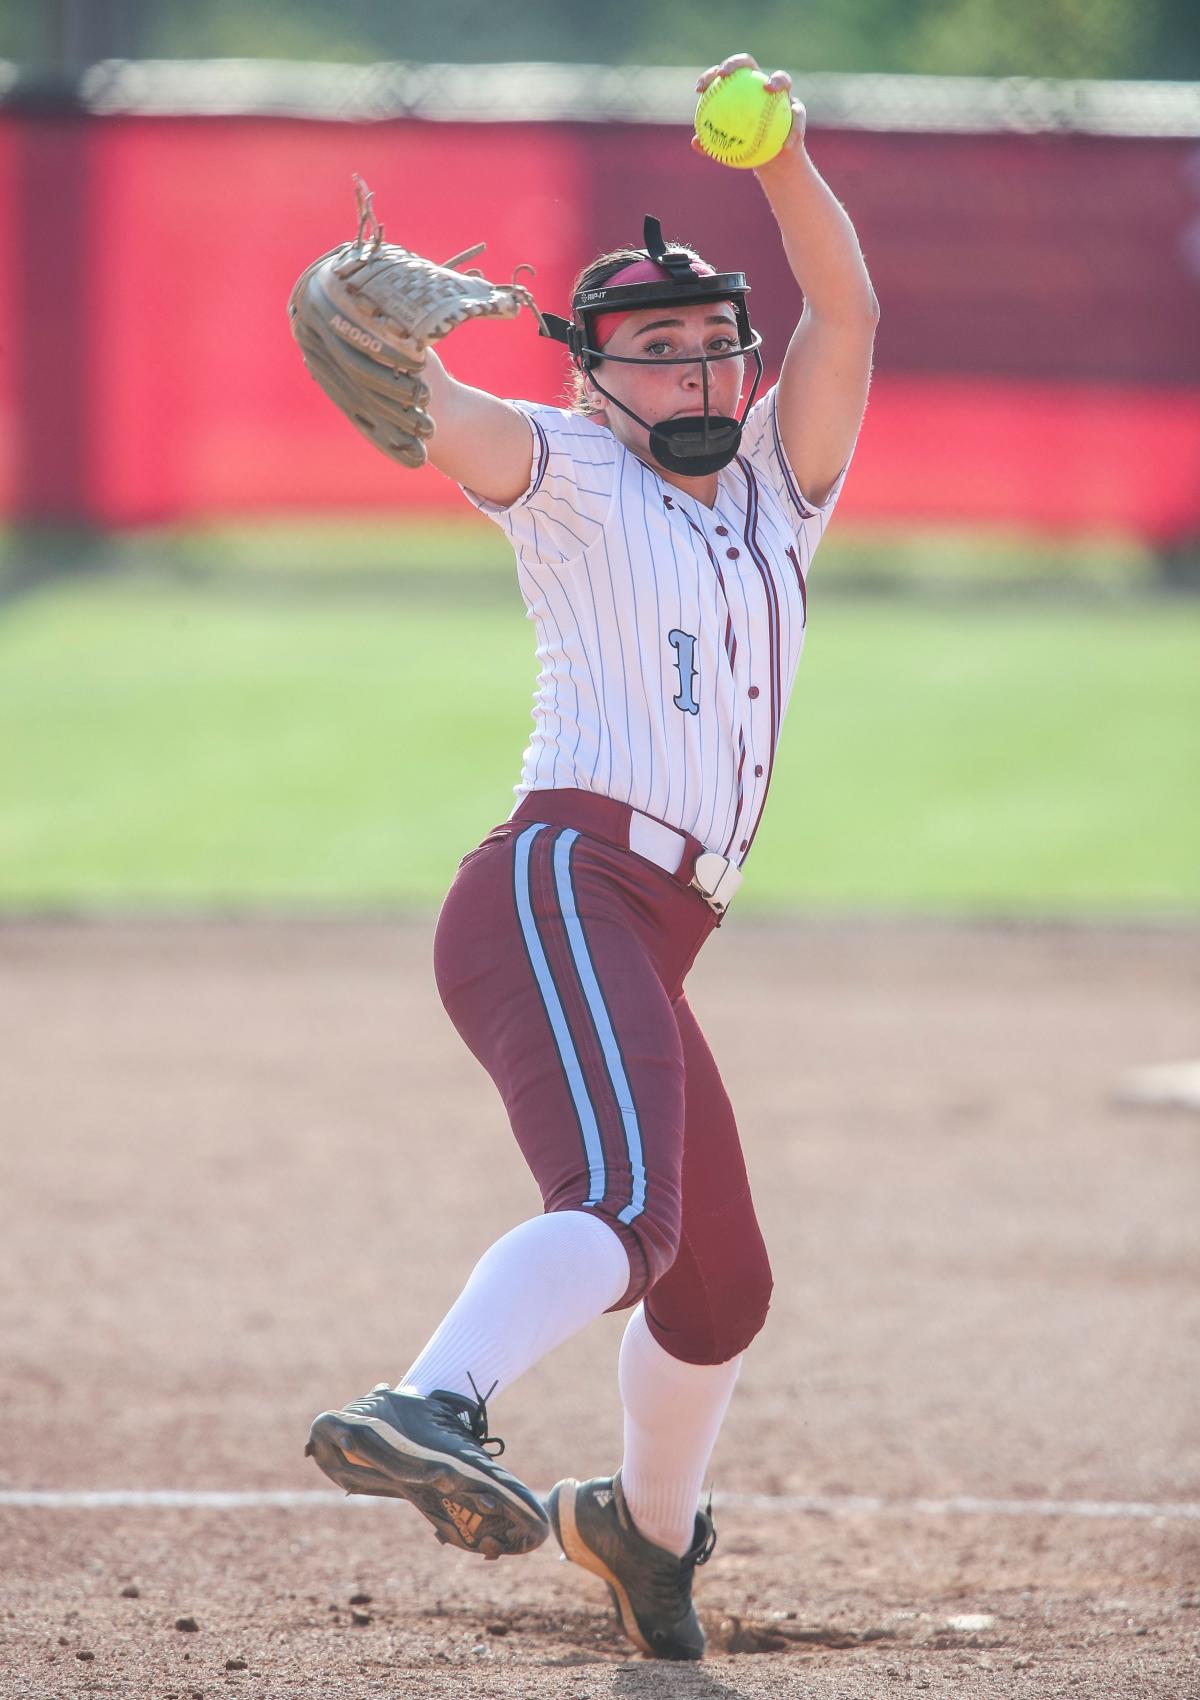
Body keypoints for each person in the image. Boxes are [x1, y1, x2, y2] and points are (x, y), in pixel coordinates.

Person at [305, 52, 878, 1662]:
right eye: (654, 353)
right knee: (625, 1206)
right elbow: (431, 409)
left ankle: (642, 1529)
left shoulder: (780, 494)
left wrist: (782, 162)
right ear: (594, 377)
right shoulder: (561, 474)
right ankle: (430, 1401)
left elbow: (847, 317)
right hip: (559, 887)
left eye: (715, 351)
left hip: (653, 922)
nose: (695, 376)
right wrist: (367, 327)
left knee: (720, 1292)